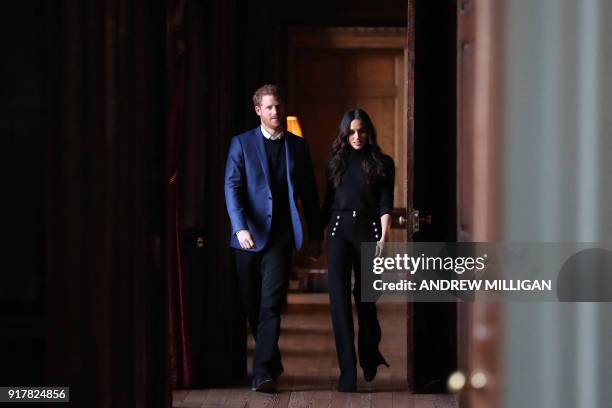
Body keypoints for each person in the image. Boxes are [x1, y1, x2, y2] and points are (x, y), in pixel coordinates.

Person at [224, 84, 322, 392]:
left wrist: (316, 235)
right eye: (269, 107)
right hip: (247, 237)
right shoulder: (241, 144)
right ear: (258, 111)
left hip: (280, 238)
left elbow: (309, 192)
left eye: (278, 106)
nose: (275, 112)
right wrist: (240, 228)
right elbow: (232, 187)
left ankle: (263, 372)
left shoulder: (297, 146)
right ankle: (272, 358)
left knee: (270, 305)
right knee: (251, 305)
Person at [321, 108, 395, 392]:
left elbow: (385, 203)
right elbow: (328, 204)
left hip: (369, 233)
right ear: (344, 133)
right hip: (339, 234)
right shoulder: (334, 164)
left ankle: (369, 353)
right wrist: (317, 236)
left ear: (369, 132)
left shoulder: (383, 163)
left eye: (361, 131)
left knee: (367, 302)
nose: (356, 136)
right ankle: (347, 373)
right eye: (351, 132)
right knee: (339, 305)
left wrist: (384, 239)